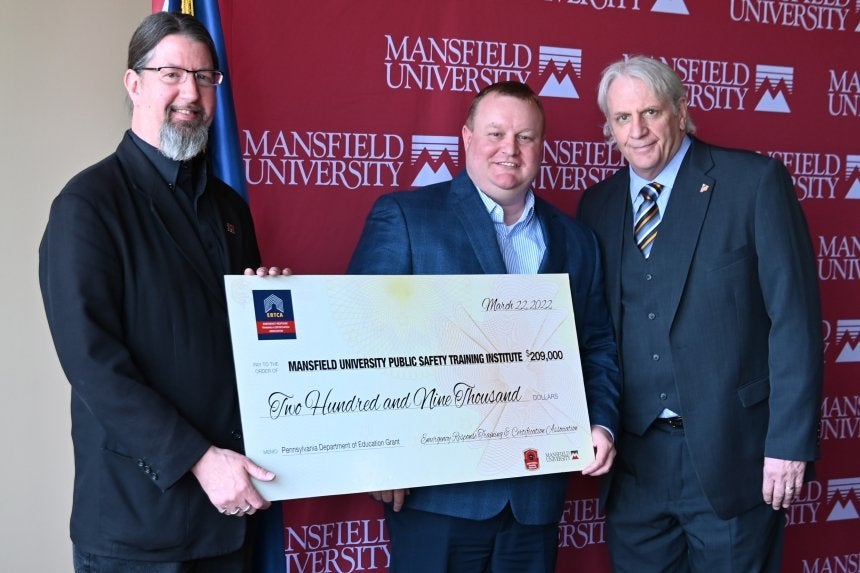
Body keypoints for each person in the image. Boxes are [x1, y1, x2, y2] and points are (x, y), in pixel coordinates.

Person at [39, 12, 287, 572]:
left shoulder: (230, 210)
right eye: (171, 74)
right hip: (139, 525)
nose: (190, 94)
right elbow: (94, 365)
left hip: (232, 516)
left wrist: (267, 310)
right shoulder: (88, 206)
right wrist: (198, 459)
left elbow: (232, 347)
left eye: (204, 77)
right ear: (134, 84)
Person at [348, 81, 621, 573]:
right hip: (436, 493)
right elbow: (361, 337)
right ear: (467, 137)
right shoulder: (407, 216)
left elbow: (596, 343)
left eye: (525, 137)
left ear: (541, 146)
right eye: (495, 133)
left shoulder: (577, 240)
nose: (509, 149)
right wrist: (380, 454)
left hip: (534, 496)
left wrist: (600, 421)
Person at [577, 55, 823, 572]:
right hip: (634, 467)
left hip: (735, 458)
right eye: (622, 118)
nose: (638, 131)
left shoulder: (753, 182)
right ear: (609, 128)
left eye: (651, 112)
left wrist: (788, 444)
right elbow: (595, 334)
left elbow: (794, 322)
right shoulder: (597, 205)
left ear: (681, 110)